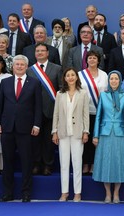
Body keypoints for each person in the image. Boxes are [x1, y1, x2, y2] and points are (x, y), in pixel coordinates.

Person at [0, 55, 42, 202]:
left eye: (22, 64)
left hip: (26, 129)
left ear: (26, 66)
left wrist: (36, 124)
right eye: (17, 64)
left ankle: (26, 193)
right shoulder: (5, 82)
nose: (19, 67)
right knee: (7, 162)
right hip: (7, 128)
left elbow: (38, 107)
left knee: (26, 162)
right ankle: (7, 193)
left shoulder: (34, 83)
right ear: (12, 66)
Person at [92, 70, 124, 204]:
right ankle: (108, 193)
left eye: (116, 79)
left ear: (120, 81)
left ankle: (116, 193)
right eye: (111, 79)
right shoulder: (103, 95)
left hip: (120, 134)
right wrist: (96, 135)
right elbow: (98, 116)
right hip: (105, 133)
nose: (114, 81)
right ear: (108, 81)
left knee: (118, 163)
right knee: (106, 163)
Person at [52, 68, 89, 202]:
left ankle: (77, 193)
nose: (71, 77)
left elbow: (86, 114)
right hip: (63, 133)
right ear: (65, 78)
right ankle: (65, 192)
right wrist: (54, 131)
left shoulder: (83, 93)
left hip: (78, 133)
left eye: (73, 75)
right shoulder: (59, 94)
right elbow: (56, 114)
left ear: (77, 77)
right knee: (64, 164)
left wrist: (86, 131)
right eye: (68, 75)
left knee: (77, 163)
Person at [26, 43, 62, 176]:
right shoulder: (30, 70)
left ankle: (48, 165)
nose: (40, 53)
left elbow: (61, 89)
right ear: (35, 54)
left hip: (51, 109)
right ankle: (36, 164)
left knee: (48, 140)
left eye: (42, 51)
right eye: (37, 51)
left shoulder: (57, 68)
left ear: (48, 53)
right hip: (34, 110)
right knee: (34, 140)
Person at [78, 50, 108, 175]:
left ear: (98, 60)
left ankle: (96, 163)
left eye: (94, 58)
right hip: (84, 112)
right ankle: (86, 163)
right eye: (89, 58)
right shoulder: (80, 74)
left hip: (100, 112)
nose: (92, 60)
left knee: (97, 139)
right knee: (85, 139)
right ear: (86, 60)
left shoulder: (104, 75)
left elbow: (107, 92)